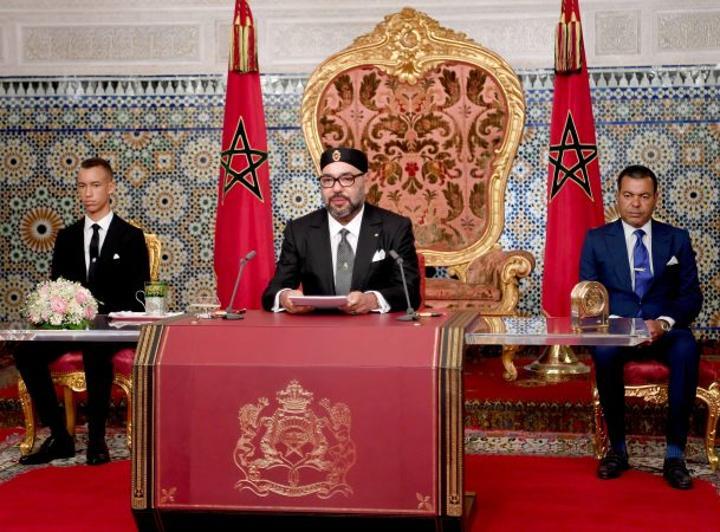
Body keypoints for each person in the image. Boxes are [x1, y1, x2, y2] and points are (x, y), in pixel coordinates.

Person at [15, 157, 150, 466]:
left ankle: (97, 439)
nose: (88, 193)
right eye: (82, 186)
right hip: (72, 325)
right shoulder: (67, 237)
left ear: (110, 187)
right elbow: (58, 286)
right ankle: (60, 437)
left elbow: (139, 296)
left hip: (113, 327)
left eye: (95, 185)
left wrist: (102, 315)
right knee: (26, 353)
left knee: (95, 347)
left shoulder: (131, 237)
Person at [579, 164, 703, 490]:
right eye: (629, 195)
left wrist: (662, 323)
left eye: (644, 196)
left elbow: (691, 296)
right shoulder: (596, 240)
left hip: (665, 329)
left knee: (687, 348)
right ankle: (617, 450)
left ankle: (674, 456)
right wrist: (625, 326)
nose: (636, 204)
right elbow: (588, 298)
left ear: (655, 198)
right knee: (604, 353)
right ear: (618, 197)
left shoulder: (676, 238)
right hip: (617, 329)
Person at [262, 147, 420, 314]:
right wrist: (284, 297)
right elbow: (273, 292)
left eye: (346, 179)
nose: (336, 188)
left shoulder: (395, 228)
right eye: (328, 180)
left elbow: (410, 293)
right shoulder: (299, 230)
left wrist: (371, 301)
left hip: (372, 327)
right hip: (318, 327)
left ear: (366, 181)